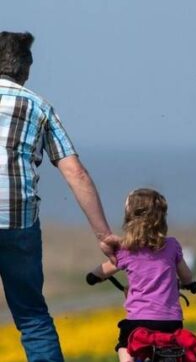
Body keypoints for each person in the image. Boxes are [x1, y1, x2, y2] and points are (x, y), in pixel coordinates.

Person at [0, 31, 118, 362]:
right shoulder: (39, 107)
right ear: (24, 70)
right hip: (18, 222)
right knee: (32, 318)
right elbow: (75, 173)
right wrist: (103, 235)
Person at [88, 188, 196, 362]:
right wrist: (190, 283)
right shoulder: (171, 246)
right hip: (172, 322)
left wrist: (94, 276)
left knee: (124, 345)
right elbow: (187, 277)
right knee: (178, 350)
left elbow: (104, 269)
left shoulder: (127, 250)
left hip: (139, 322)